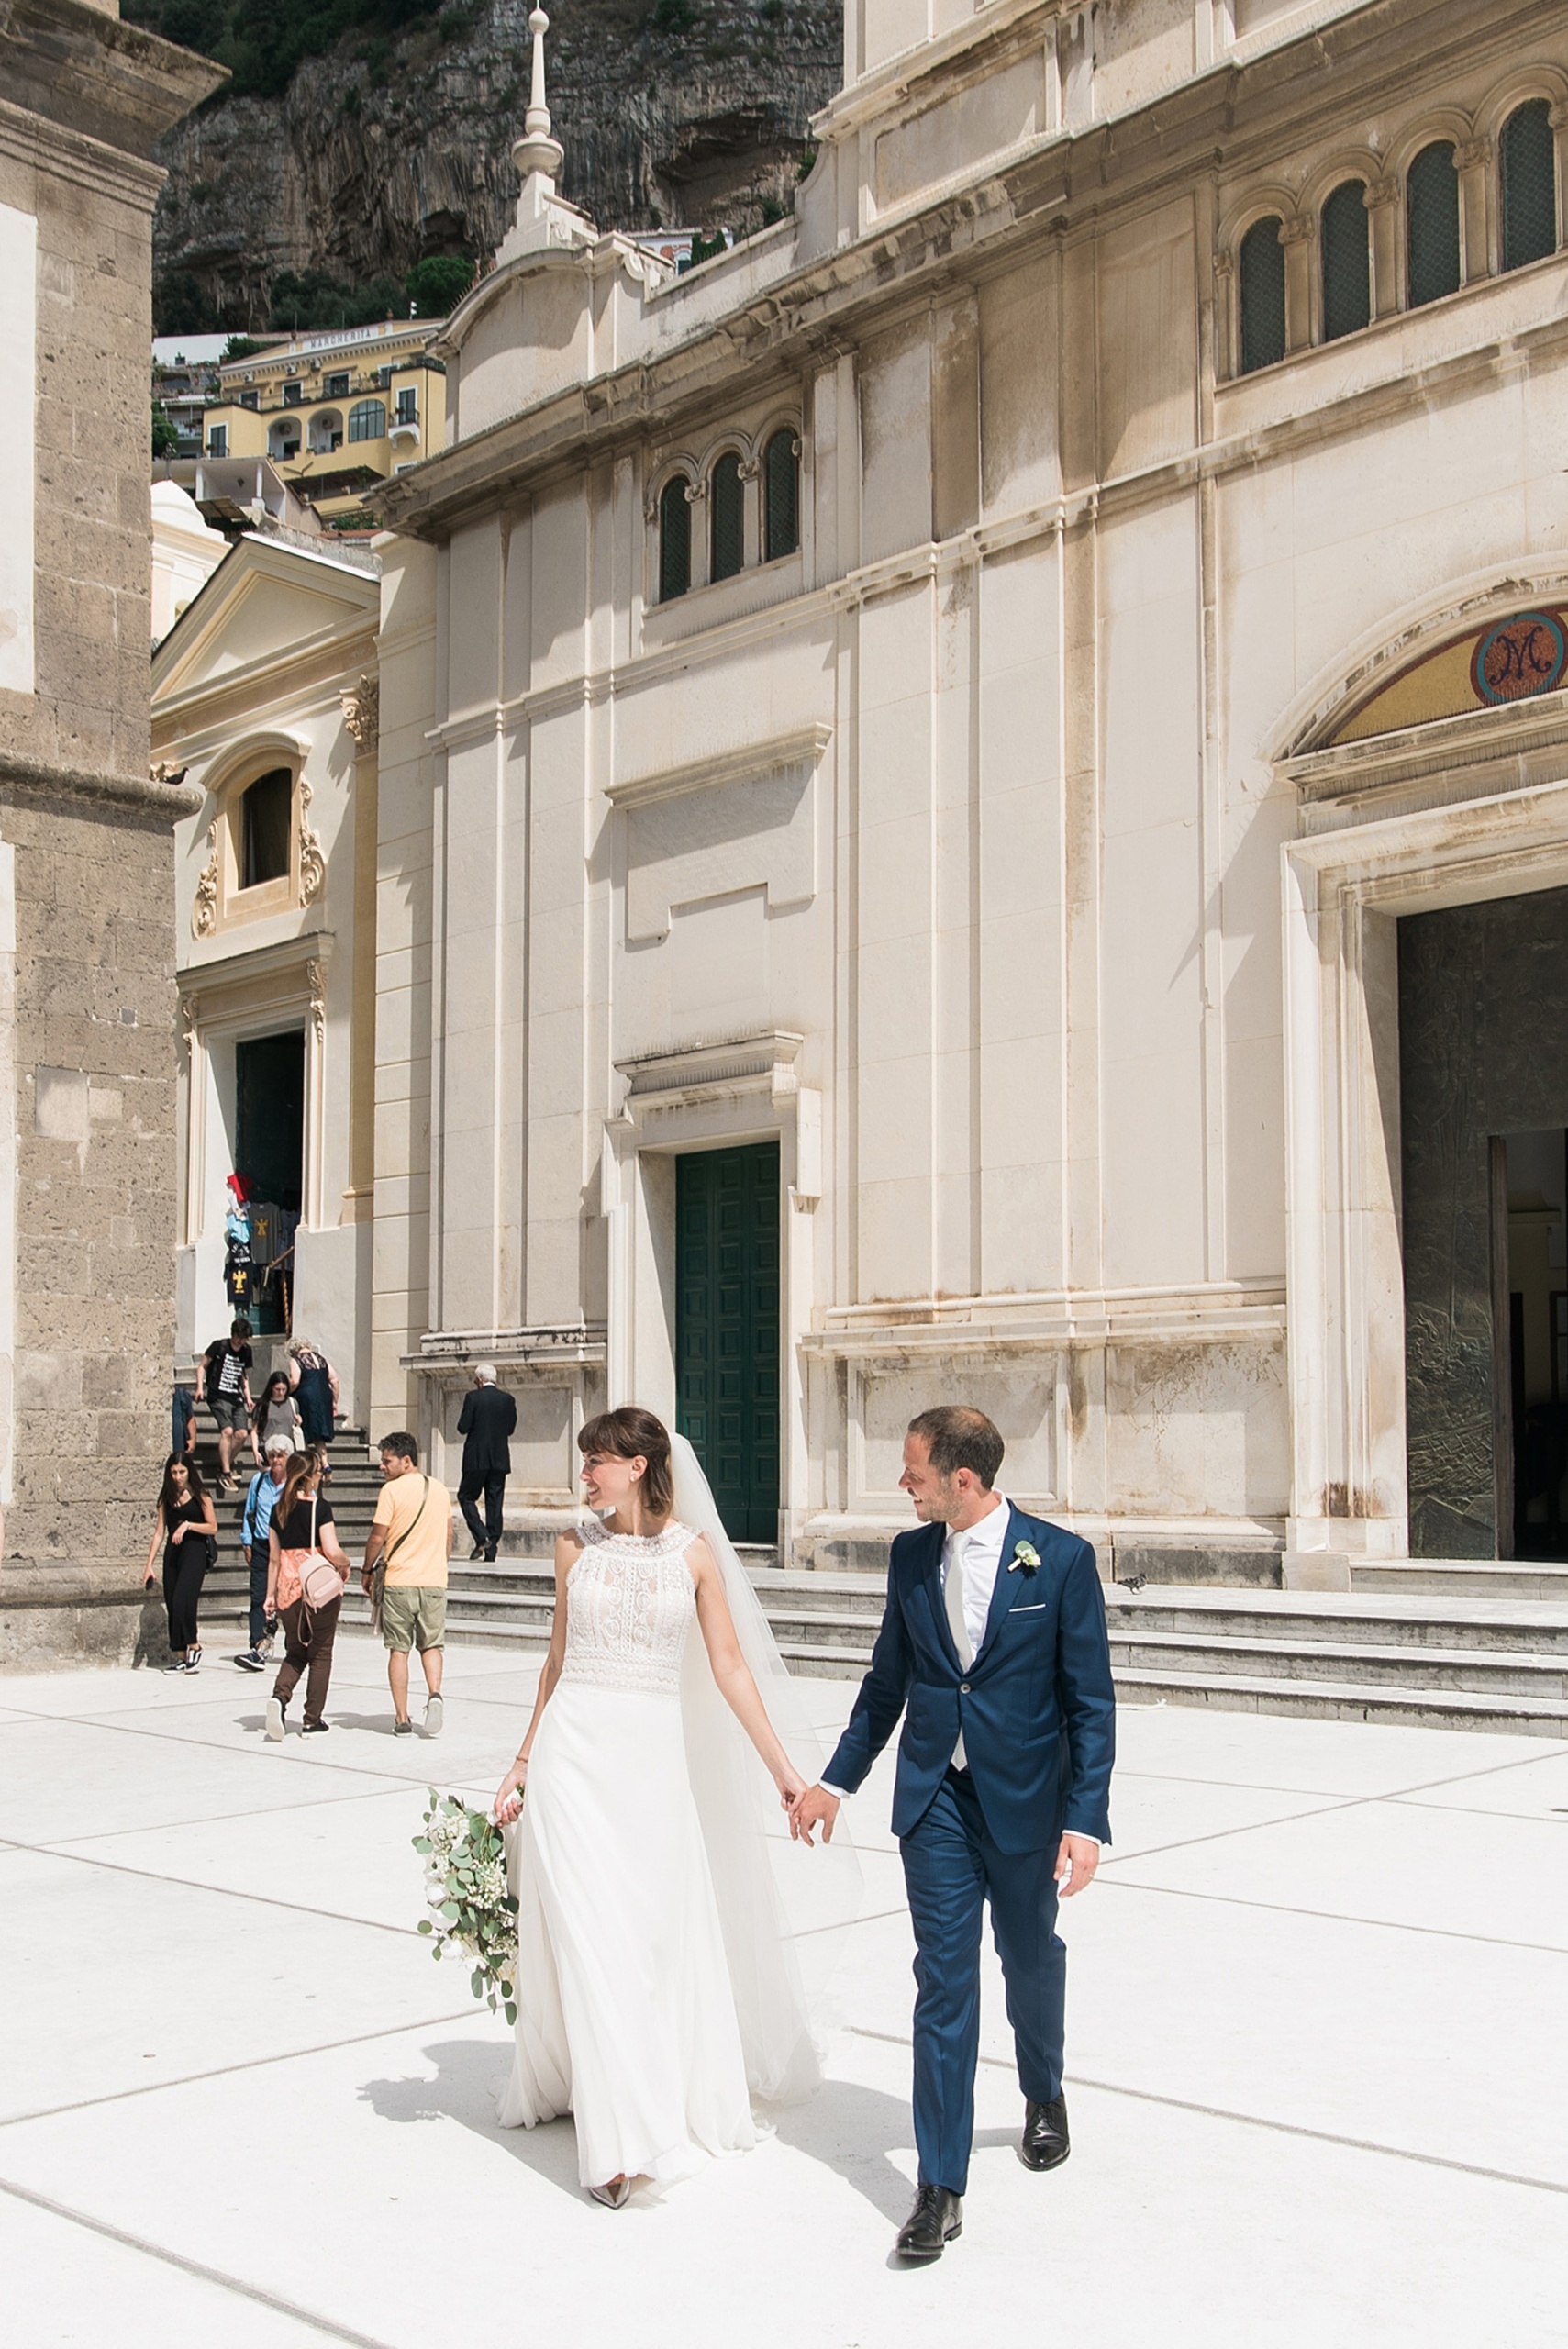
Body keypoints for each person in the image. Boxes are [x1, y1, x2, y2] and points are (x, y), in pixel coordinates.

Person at [490, 1407, 852, 2209]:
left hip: (649, 1770)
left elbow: (728, 1668)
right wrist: (521, 1763)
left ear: (640, 1466)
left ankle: (631, 2087)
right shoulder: (569, 1546)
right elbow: (554, 1663)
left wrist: (782, 1771)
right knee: (588, 1936)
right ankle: (618, 2147)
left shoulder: (692, 1554)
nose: (585, 1472)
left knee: (644, 1939)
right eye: (586, 1459)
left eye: (598, 1460)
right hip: (571, 1759)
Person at [790, 1405, 1116, 2263]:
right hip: (934, 1798)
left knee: (1029, 1956)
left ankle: (1043, 2091)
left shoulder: (1062, 1560)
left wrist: (1084, 1820)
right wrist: (833, 1780)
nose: (902, 1484)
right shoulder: (907, 1556)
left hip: (1024, 1804)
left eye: (913, 1473)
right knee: (942, 1983)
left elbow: (1090, 1704)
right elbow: (885, 1682)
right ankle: (940, 2188)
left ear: (960, 1480)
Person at [362, 1432, 452, 1737]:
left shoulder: (391, 1491)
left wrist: (366, 1569)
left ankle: (402, 1717)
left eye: (386, 1461)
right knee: (432, 1645)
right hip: (434, 1581)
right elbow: (449, 1536)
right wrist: (439, 1563)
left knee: (399, 1650)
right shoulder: (439, 1490)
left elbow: (378, 1537)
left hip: (400, 1581)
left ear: (406, 1460)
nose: (381, 1467)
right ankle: (435, 1693)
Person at [264, 1446, 350, 1739]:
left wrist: (270, 1596)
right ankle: (312, 1719)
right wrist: (346, 1563)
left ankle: (279, 1699)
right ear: (310, 1476)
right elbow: (331, 1549)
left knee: (296, 1650)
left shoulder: (278, 1511)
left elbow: (274, 1558)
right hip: (317, 1588)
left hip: (288, 1589)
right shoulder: (319, 1508)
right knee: (321, 1652)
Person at [142, 1453, 218, 1675]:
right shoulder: (166, 1497)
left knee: (184, 1597)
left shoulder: (200, 1495)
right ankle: (181, 1655)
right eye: (174, 1472)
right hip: (173, 1553)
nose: (177, 1477)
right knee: (173, 1601)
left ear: (189, 1472)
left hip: (194, 1550)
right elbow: (159, 1533)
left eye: (182, 1472)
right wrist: (149, 1565)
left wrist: (188, 1525)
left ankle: (194, 1645)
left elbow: (212, 1527)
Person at [235, 1435, 294, 1672]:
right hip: (261, 1546)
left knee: (288, 1599)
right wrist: (246, 1541)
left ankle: (294, 1647)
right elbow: (249, 1512)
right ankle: (258, 1646)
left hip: (287, 1547)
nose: (276, 1460)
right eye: (272, 1455)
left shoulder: (294, 1484)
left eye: (280, 1455)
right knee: (258, 1596)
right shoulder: (259, 1481)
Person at [456, 1363, 517, 1562]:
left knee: (465, 1496)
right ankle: (491, 1548)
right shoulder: (507, 1400)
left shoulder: (473, 1398)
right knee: (495, 1503)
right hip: (499, 1458)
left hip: (476, 1458)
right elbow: (510, 1428)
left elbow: (463, 1427)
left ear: (480, 1380)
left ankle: (482, 1535)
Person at [195, 1319, 255, 1492]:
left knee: (242, 1434)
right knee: (227, 1431)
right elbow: (202, 1367)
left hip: (236, 1397)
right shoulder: (219, 1346)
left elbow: (244, 1375)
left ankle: (225, 1464)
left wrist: (248, 1396)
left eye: (243, 1339)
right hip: (218, 1395)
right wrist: (199, 1387)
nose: (240, 1341)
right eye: (238, 1337)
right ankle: (226, 1473)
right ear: (233, 1334)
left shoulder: (246, 1352)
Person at [286, 1340, 339, 1446]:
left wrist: (285, 1393)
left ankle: (305, 1459)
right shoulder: (322, 1359)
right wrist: (334, 1401)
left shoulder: (296, 1360)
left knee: (304, 1431)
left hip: (306, 1397)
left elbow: (295, 1381)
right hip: (324, 1396)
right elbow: (335, 1380)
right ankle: (324, 1462)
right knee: (319, 1435)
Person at [253, 1371, 303, 1455]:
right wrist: (255, 1451)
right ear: (271, 1388)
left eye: (284, 1389)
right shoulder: (263, 1404)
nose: (281, 1393)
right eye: (277, 1389)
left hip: (287, 1449)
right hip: (267, 1449)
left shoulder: (293, 1403)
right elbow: (254, 1430)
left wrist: (298, 1423)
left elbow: (294, 1425)